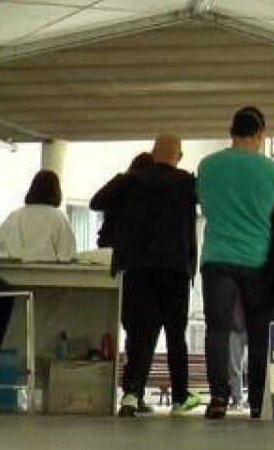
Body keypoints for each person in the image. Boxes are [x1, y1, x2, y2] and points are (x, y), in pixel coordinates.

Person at [198, 107, 274, 419]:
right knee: (258, 331)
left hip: (216, 257)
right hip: (257, 261)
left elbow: (204, 203)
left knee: (217, 329)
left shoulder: (207, 166)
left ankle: (218, 398)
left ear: (231, 133)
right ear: (259, 135)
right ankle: (257, 401)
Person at [105, 135, 202, 418]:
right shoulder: (187, 182)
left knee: (139, 334)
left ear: (152, 152)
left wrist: (122, 186)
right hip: (175, 269)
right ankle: (180, 398)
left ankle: (131, 395)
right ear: (180, 156)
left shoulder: (132, 180)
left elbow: (98, 202)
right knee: (176, 335)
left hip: (138, 268)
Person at [0, 170, 77, 262]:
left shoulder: (16, 215)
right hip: (48, 272)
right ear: (56, 191)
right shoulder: (58, 217)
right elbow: (67, 253)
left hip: (14, 272)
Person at [91, 152, 154, 249]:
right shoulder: (125, 184)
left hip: (109, 242)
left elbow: (95, 203)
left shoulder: (120, 182)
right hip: (123, 244)